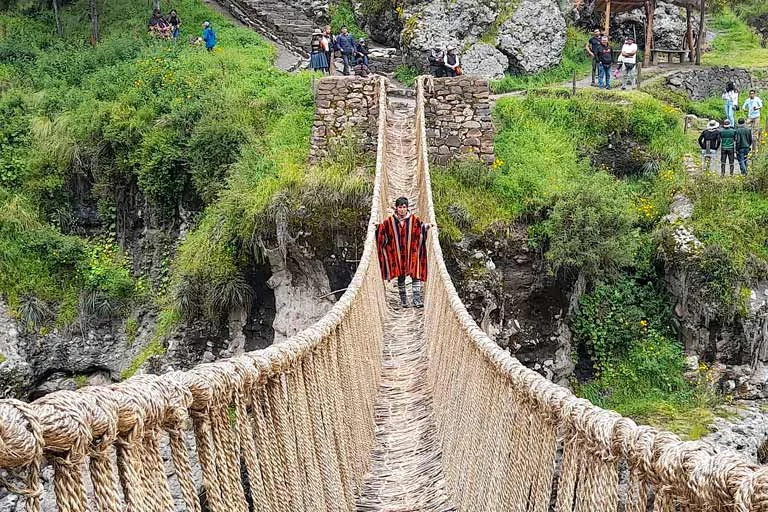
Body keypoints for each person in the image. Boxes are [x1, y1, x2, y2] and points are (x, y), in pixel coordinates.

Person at [376, 197, 431, 308]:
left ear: (407, 208)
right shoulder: (389, 222)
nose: (402, 210)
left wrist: (426, 227)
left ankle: (416, 299)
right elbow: (383, 231)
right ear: (396, 208)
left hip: (412, 252)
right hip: (398, 255)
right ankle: (404, 300)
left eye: (404, 207)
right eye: (400, 207)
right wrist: (377, 227)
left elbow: (421, 228)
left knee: (416, 275)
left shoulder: (414, 220)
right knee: (401, 276)